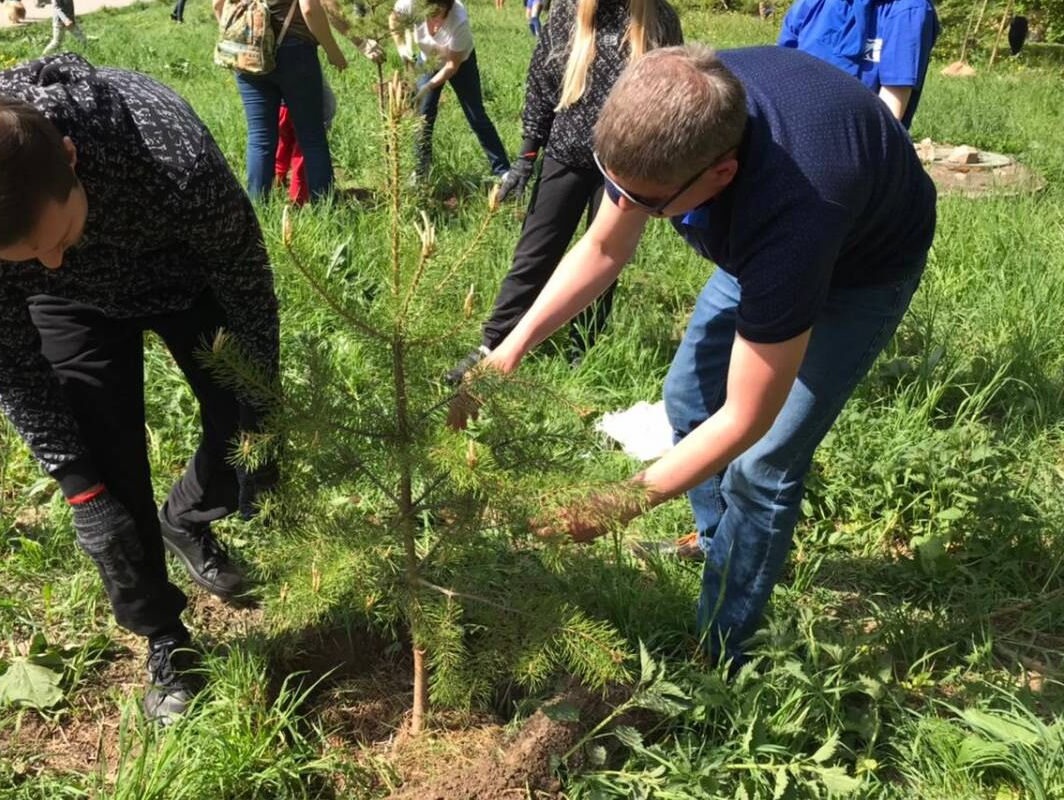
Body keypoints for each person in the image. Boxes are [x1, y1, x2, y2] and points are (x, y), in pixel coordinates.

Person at [466, 45, 936, 666]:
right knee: (689, 395)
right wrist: (505, 355)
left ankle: (721, 656)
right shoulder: (669, 115)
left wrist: (620, 503)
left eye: (650, 203)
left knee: (762, 466)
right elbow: (604, 248)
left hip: (861, 269)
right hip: (763, 242)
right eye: (615, 185)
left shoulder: (795, 220)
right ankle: (721, 543)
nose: (626, 205)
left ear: (720, 174)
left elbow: (747, 419)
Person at [0, 55, 281, 723]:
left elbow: (246, 280)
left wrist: (263, 395)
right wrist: (77, 482)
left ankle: (189, 518)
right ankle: (165, 638)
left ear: (73, 160)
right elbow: (3, 358)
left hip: (183, 276)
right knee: (104, 474)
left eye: (57, 237)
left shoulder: (171, 156)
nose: (50, 257)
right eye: (25, 256)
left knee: (243, 423)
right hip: (68, 307)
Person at [447, 0, 682, 381]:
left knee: (604, 259)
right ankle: (494, 342)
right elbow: (542, 81)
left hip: (625, 167)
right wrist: (526, 156)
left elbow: (671, 99)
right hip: (566, 154)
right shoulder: (568, 10)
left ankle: (582, 351)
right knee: (534, 253)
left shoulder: (660, 18)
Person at [216, 0, 350, 202]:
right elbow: (310, 10)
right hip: (294, 51)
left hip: (247, 52)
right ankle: (323, 209)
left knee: (259, 138)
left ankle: (258, 211)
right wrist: (333, 51)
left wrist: (246, 36)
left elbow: (217, 5)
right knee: (312, 137)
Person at [383, 0, 511, 183]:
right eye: (430, 11)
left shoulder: (459, 20)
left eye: (439, 12)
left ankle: (503, 170)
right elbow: (394, 19)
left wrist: (427, 86)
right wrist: (403, 49)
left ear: (448, 6)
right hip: (429, 61)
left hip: (461, 64)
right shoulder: (410, 3)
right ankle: (421, 172)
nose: (434, 18)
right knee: (423, 117)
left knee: (476, 116)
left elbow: (452, 66)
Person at [778, 0, 940, 127]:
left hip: (858, 145)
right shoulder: (812, 4)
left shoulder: (907, 10)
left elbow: (890, 111)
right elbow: (780, 77)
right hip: (796, 131)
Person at [275, 80, 337, 205]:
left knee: (282, 148)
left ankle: (275, 186)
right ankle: (297, 200)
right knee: (302, 156)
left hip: (281, 106)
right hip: (306, 106)